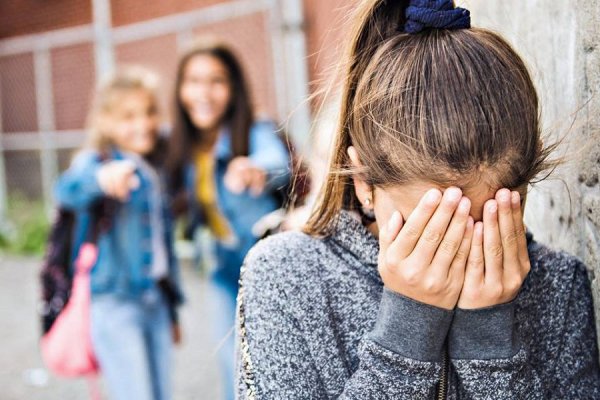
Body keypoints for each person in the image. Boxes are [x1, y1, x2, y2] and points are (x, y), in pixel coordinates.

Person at [235, 0, 600, 398]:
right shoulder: (285, 277)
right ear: (363, 182)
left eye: (484, 225)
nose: (454, 256)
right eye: (428, 228)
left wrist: (492, 343)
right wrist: (407, 332)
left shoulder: (559, 285)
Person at [166, 41, 290, 400]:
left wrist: (254, 169)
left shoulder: (252, 130)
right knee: (230, 367)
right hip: (223, 272)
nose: (203, 92)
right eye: (193, 81)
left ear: (233, 88)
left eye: (216, 81)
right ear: (180, 89)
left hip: (266, 274)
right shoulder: (184, 144)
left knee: (270, 370)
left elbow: (276, 161)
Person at [55, 66, 183, 400]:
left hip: (155, 300)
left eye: (150, 112)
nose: (143, 124)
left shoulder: (155, 167)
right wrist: (101, 178)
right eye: (128, 116)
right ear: (107, 122)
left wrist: (172, 309)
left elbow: (163, 247)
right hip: (114, 301)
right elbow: (66, 190)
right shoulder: (96, 161)